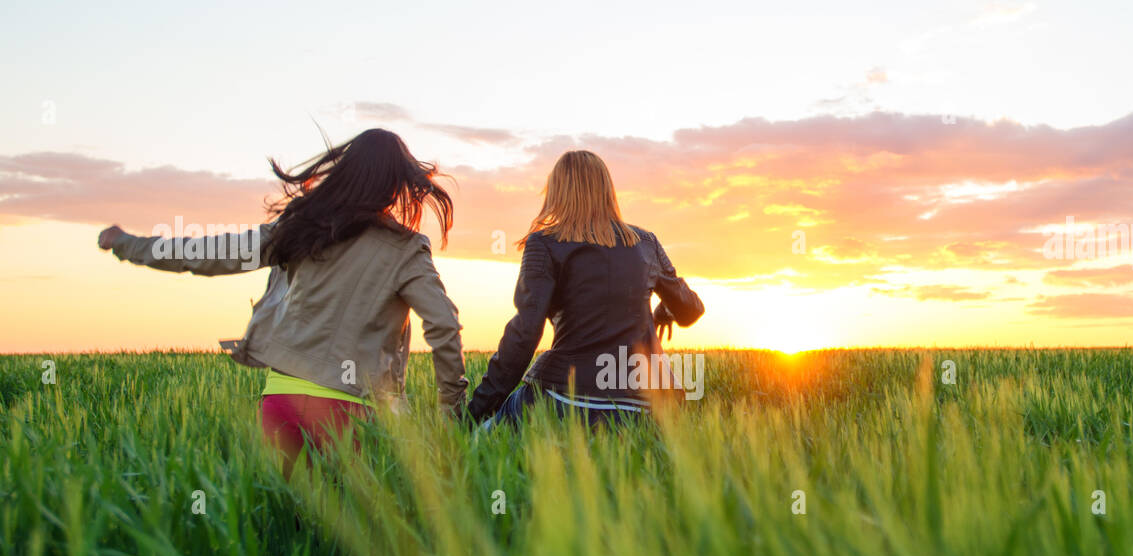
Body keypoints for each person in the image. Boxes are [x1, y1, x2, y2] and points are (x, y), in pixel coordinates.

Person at [97, 128, 468, 476]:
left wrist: (128, 244)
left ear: (345, 173)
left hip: (281, 403)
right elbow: (444, 325)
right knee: (349, 534)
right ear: (396, 185)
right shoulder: (405, 249)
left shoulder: (301, 228)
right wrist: (451, 411)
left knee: (287, 524)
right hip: (353, 410)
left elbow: (208, 253)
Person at [466, 150, 704, 428]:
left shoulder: (543, 243)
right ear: (608, 191)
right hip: (650, 407)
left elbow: (525, 333)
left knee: (483, 440)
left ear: (556, 193)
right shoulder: (646, 243)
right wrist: (664, 310)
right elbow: (690, 310)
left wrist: (474, 414)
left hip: (565, 398)